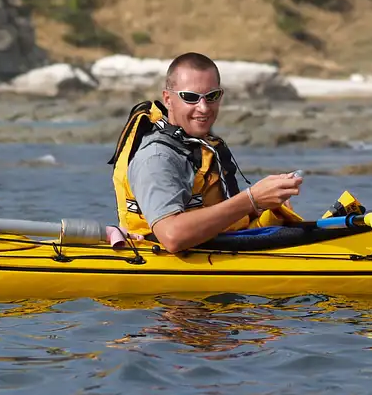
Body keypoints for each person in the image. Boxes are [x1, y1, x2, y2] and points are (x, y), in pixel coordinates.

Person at [108, 52, 303, 253]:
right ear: (167, 99)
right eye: (190, 98)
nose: (203, 108)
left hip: (216, 247)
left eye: (211, 97)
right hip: (160, 258)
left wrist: (265, 205)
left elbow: (219, 214)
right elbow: (172, 237)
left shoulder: (201, 145)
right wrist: (251, 199)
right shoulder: (157, 157)